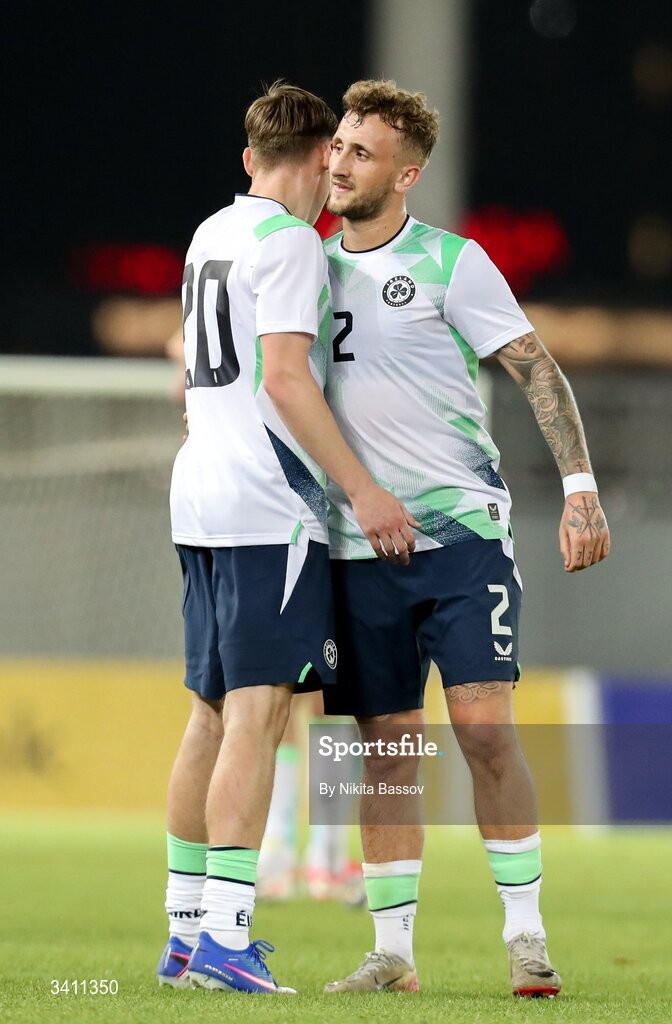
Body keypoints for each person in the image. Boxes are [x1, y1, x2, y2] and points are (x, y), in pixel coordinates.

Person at [321, 80, 610, 997]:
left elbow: (537, 369)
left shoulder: (454, 262)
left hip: (461, 537)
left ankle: (526, 938)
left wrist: (580, 491)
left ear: (405, 175)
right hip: (358, 545)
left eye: (361, 152)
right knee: (386, 749)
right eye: (337, 145)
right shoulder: (301, 268)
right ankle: (392, 952)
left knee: (485, 732)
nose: (338, 162)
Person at [158, 80, 417, 995]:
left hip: (199, 495)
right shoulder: (292, 247)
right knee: (261, 721)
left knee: (210, 712)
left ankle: (184, 933)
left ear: (246, 159)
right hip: (271, 507)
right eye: (333, 159)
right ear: (318, 161)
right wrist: (365, 488)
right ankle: (228, 942)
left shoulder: (209, 234)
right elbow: (284, 378)